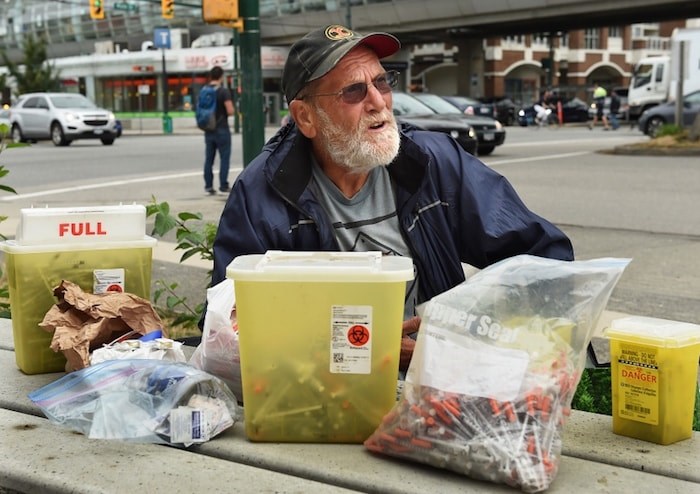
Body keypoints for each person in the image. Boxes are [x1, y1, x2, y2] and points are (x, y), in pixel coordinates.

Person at [208, 25, 575, 370]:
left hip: (438, 382)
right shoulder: (264, 191)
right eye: (353, 90)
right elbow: (228, 331)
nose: (377, 102)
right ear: (306, 118)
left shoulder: (434, 161)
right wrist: (359, 346)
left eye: (382, 82)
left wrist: (478, 339)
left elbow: (543, 258)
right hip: (324, 395)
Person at [202, 65, 234, 195]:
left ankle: (208, 186)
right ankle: (223, 185)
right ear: (221, 76)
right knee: (224, 158)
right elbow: (230, 111)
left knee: (209, 159)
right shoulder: (223, 91)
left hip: (208, 129)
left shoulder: (204, 90)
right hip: (222, 129)